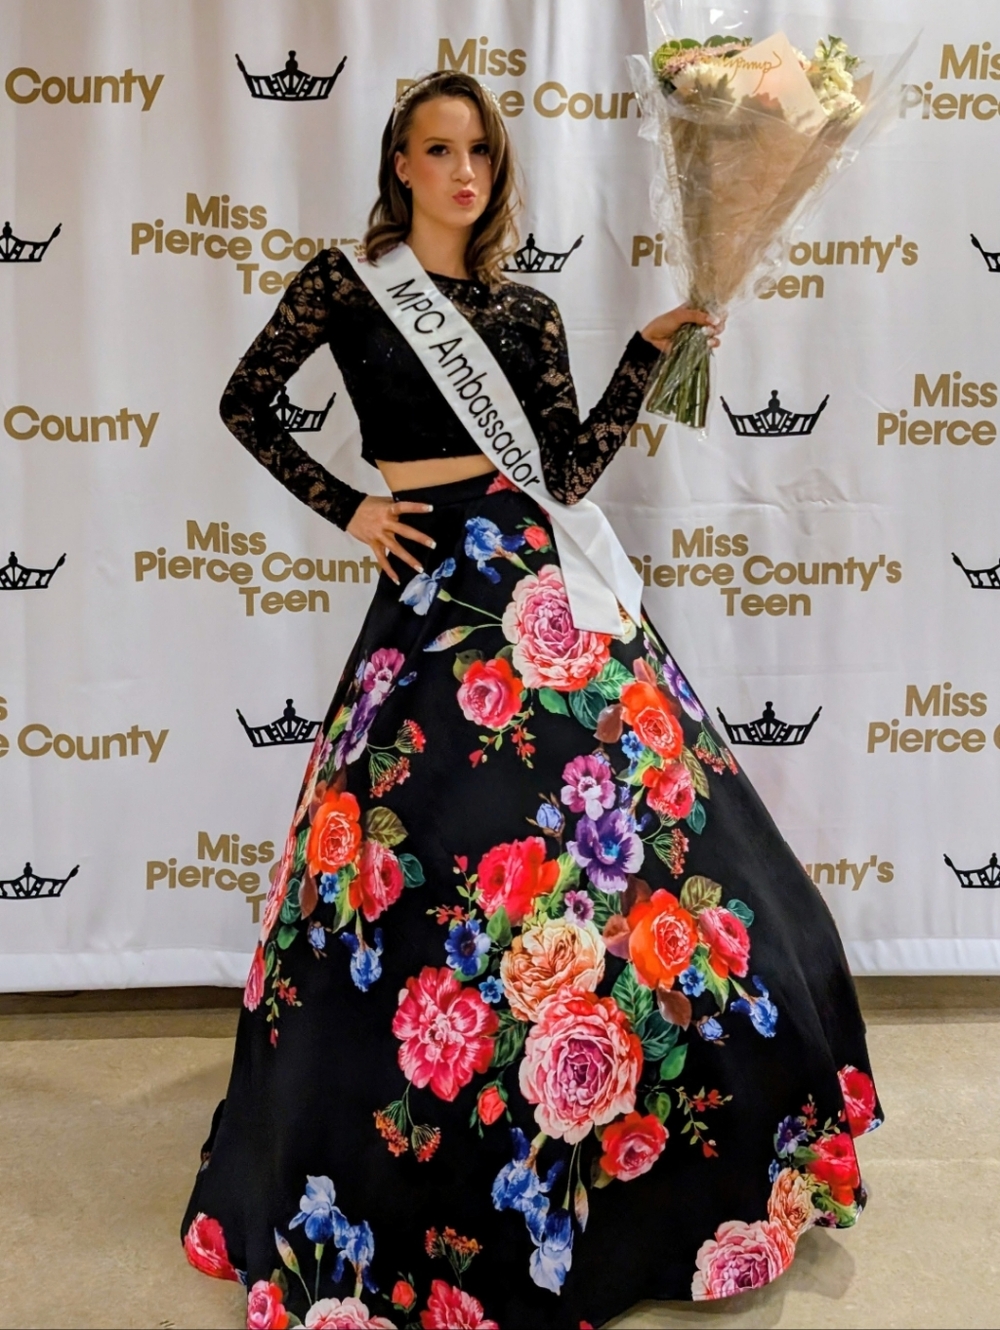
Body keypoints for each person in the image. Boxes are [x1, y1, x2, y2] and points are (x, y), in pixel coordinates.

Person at [182, 70, 880, 1329]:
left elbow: (558, 468)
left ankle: (650, 1171)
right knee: (425, 868)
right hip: (434, 598)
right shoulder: (347, 285)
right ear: (398, 162)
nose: (462, 173)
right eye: (438, 150)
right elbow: (246, 401)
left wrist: (642, 358)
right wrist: (349, 504)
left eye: (481, 157)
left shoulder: (529, 312)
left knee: (640, 853)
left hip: (544, 592)